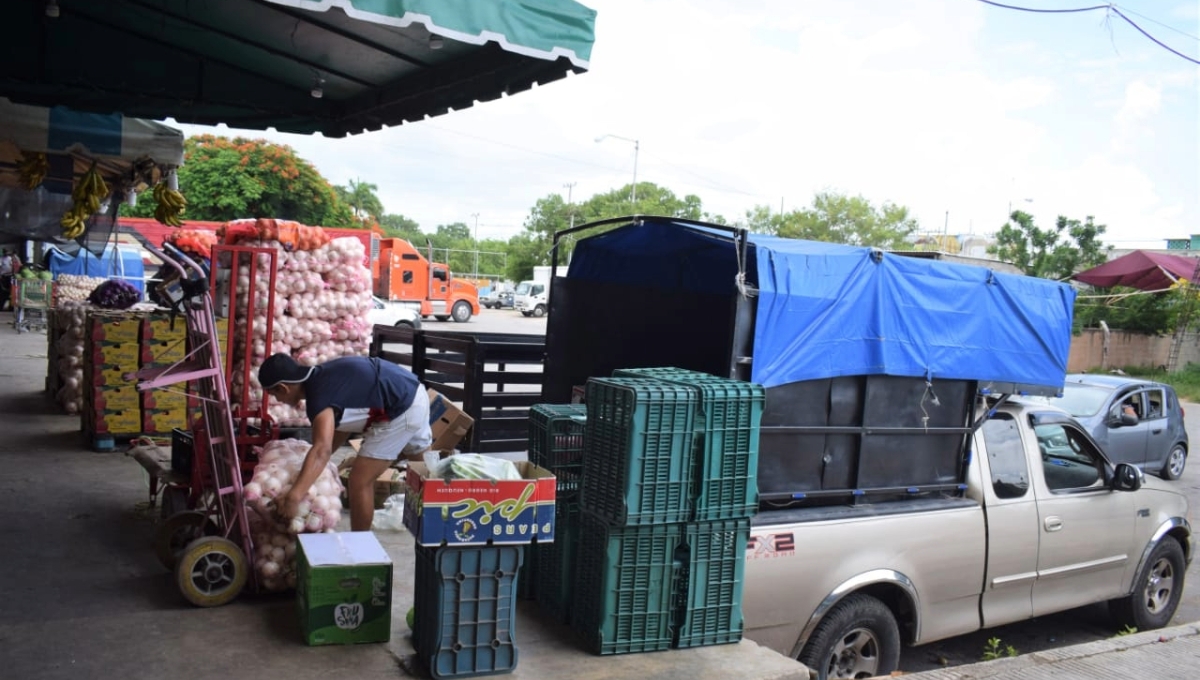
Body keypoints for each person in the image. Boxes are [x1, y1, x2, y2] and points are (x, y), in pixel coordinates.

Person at [258, 353, 432, 531]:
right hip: (412, 389)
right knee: (426, 474)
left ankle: (360, 547)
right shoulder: (320, 376)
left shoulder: (318, 397)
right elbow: (339, 428)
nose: (278, 401)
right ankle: (439, 523)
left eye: (274, 395)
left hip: (402, 406)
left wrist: (293, 497)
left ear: (283, 388)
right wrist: (315, 467)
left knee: (359, 481)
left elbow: (321, 451)